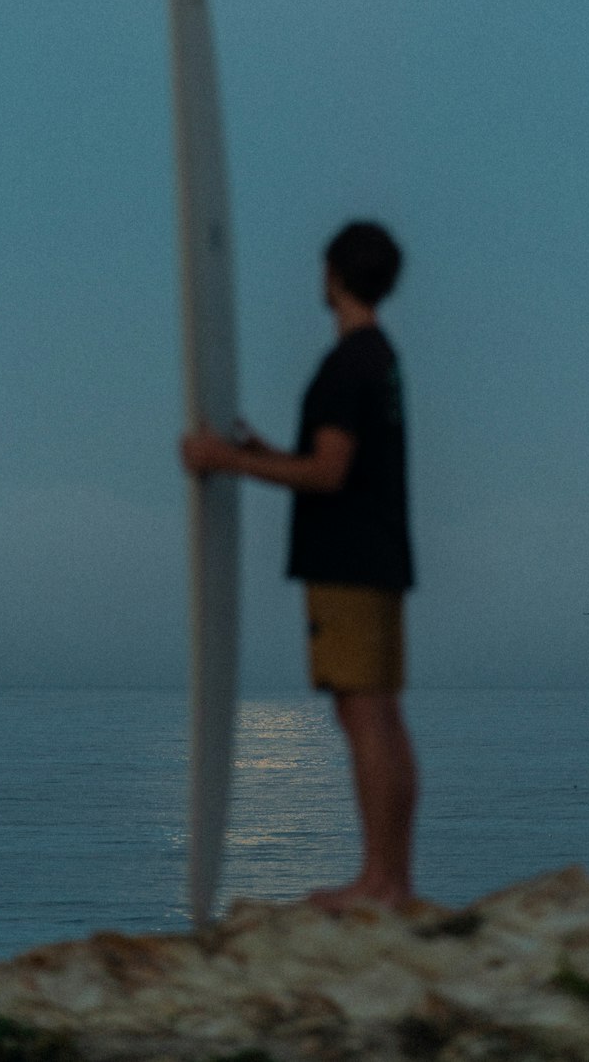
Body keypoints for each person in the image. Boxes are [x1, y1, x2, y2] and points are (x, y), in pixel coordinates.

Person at [181, 220, 418, 911]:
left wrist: (227, 459)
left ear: (335, 274)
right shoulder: (382, 358)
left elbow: (327, 472)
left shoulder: (349, 364)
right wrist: (266, 447)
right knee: (383, 713)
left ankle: (378, 882)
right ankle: (394, 880)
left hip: (349, 562)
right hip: (380, 556)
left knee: (365, 714)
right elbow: (336, 460)